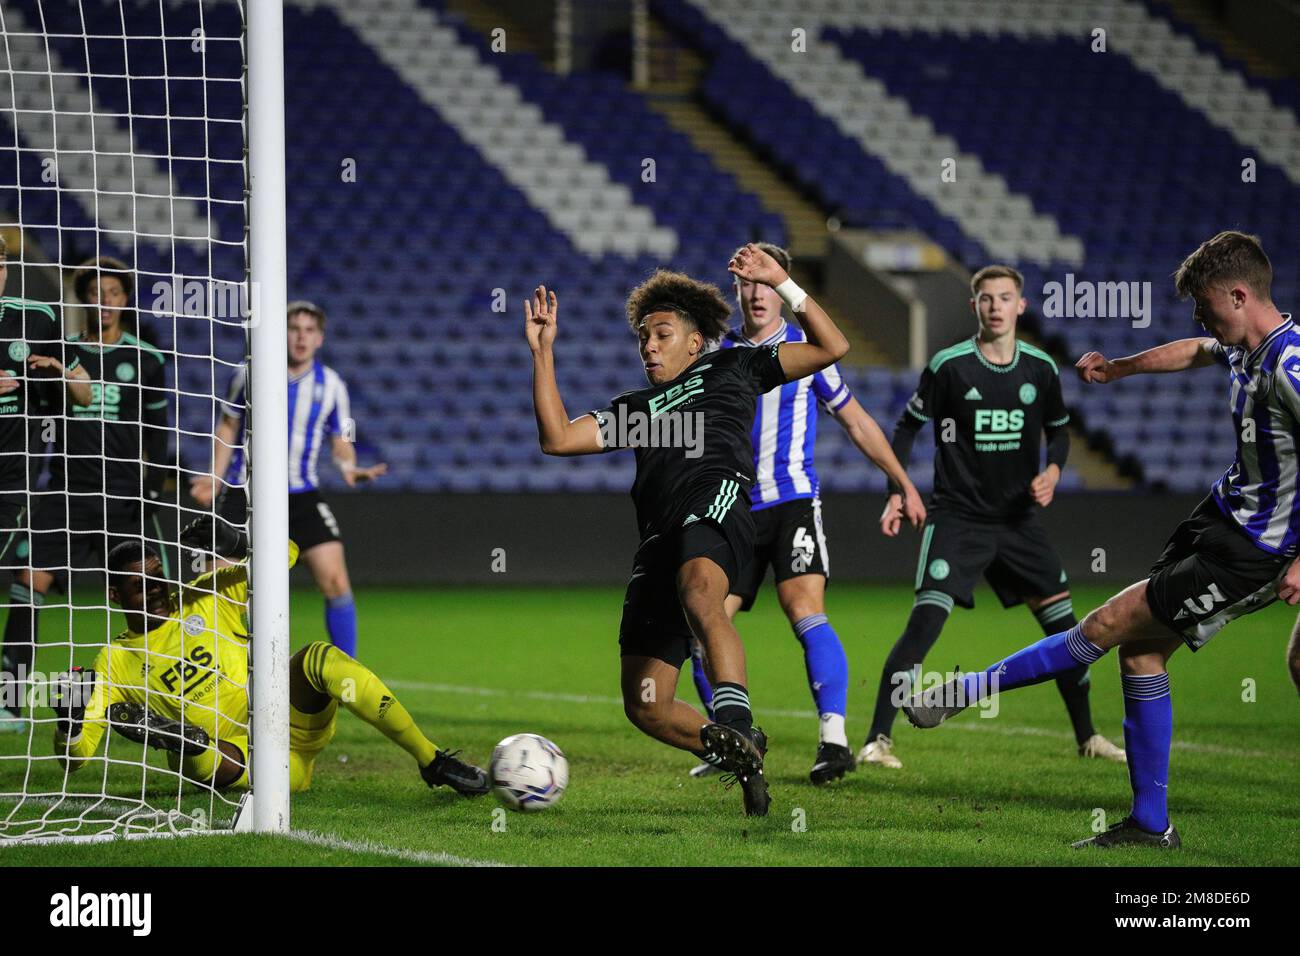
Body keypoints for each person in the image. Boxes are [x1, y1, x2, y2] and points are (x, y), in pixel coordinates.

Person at [902, 232, 1294, 849]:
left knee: (1109, 623)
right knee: (1140, 654)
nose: (1198, 316)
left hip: (1257, 551)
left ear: (1240, 294)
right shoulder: (1244, 346)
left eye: (1204, 303)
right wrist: (1122, 368)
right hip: (1219, 518)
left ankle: (968, 690)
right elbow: (1195, 349)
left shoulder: (1291, 366)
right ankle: (1149, 825)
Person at [527, 244, 850, 815]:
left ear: (696, 340)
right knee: (646, 703)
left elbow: (832, 347)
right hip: (657, 540)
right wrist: (543, 354)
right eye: (644, 338)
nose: (649, 345)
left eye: (663, 334)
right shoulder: (638, 407)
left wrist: (781, 284)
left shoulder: (734, 366)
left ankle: (737, 721)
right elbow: (557, 439)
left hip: (716, 504)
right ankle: (734, 754)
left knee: (703, 592)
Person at [861, 265, 1125, 769]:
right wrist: (899, 488)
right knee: (923, 628)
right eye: (986, 299)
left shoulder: (1041, 369)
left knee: (1069, 631)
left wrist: (1052, 469)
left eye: (1005, 298)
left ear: (1020, 306)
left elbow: (1062, 432)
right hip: (956, 520)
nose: (996, 306)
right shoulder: (949, 366)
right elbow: (906, 426)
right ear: (974, 307)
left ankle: (1088, 736)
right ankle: (877, 739)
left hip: (1019, 524)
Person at [688, 241, 925, 784]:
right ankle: (729, 739)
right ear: (737, 291)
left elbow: (858, 421)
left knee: (805, 611)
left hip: (793, 501)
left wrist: (902, 480)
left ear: (782, 290)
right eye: (746, 284)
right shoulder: (719, 354)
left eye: (766, 283)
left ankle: (834, 741)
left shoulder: (806, 350)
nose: (755, 294)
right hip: (732, 510)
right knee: (701, 630)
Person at [51, 515, 489, 796]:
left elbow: (290, 555)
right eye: (139, 585)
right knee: (192, 750)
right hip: (242, 759)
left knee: (321, 657)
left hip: (285, 717)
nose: (156, 589)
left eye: (158, 576)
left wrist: (239, 542)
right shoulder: (113, 661)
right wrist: (69, 725)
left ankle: (432, 760)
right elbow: (78, 759)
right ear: (114, 595)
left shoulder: (206, 595)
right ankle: (186, 741)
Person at [0, 255, 164, 731]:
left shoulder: (145, 358)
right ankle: (10, 699)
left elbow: (156, 429)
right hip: (66, 491)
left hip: (122, 495)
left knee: (146, 595)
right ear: (83, 299)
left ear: (125, 299)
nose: (104, 301)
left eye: (112, 293)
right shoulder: (63, 348)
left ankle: (165, 691)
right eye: (95, 293)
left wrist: (153, 483)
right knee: (28, 582)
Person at [190, 301, 386, 657]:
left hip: (301, 495)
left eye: (309, 330)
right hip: (244, 494)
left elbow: (341, 439)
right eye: (294, 328)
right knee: (219, 590)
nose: (300, 337)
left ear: (320, 339)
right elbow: (229, 425)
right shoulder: (249, 373)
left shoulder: (332, 385)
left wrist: (348, 467)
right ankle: (224, 671)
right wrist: (214, 478)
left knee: (337, 582)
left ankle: (348, 676)